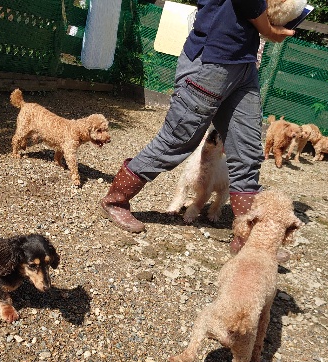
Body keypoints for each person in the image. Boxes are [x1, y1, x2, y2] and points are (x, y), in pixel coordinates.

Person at [100, 0, 294, 253]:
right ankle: (115, 201)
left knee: (247, 153)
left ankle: (246, 239)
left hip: (244, 63)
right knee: (178, 139)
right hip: (213, 58)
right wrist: (268, 29)